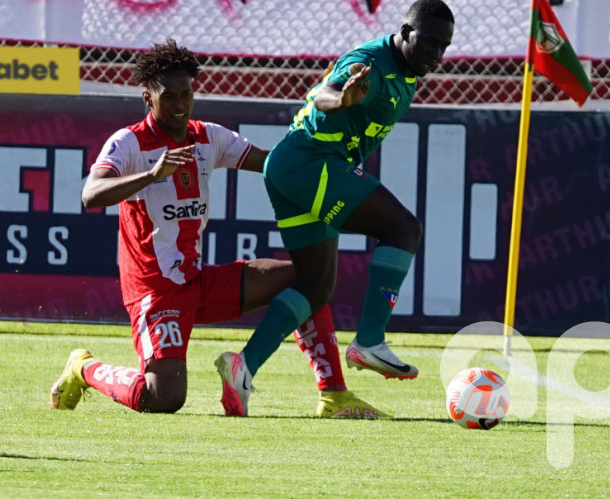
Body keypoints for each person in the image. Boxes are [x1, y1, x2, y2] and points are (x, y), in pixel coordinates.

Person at [49, 39, 387, 419]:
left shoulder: (208, 136)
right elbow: (90, 195)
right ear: (147, 98)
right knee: (164, 397)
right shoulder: (129, 143)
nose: (179, 105)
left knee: (310, 280)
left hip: (198, 280)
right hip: (156, 293)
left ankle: (334, 395)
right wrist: (151, 174)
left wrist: (324, 112)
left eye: (186, 94)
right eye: (169, 97)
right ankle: (83, 367)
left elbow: (276, 165)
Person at [215, 0, 455, 415]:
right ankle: (370, 341)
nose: (436, 54)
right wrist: (341, 98)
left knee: (315, 285)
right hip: (311, 164)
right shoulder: (371, 63)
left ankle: (243, 367)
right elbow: (327, 93)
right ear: (404, 31)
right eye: (429, 42)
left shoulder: (408, 72)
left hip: (291, 169)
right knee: (403, 229)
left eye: (444, 47)